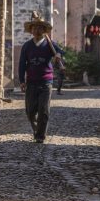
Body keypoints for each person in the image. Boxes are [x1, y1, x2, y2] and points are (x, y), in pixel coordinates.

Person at [18, 11, 64, 144]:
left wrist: (58, 56)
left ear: (44, 30)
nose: (37, 30)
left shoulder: (50, 45)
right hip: (31, 82)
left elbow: (60, 52)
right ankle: (37, 129)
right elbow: (22, 64)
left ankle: (40, 136)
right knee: (30, 111)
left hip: (46, 82)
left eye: (40, 28)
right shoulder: (27, 46)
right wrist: (22, 81)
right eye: (34, 28)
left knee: (43, 110)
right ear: (31, 30)